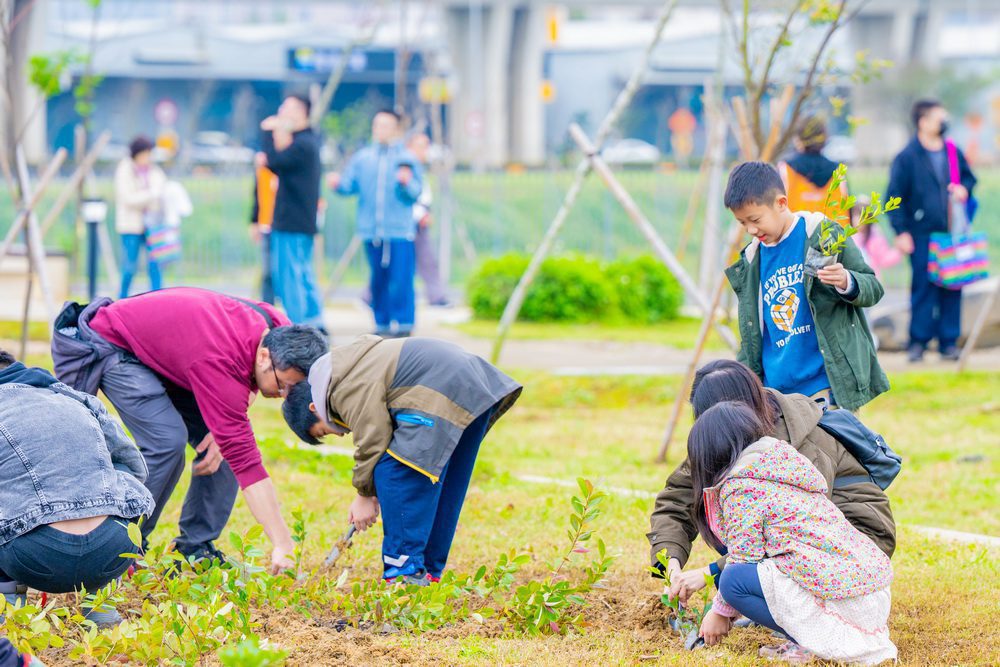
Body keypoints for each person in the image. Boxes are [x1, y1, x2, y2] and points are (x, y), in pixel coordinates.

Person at [50, 287, 327, 573]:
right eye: (283, 386)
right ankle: (119, 547)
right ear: (265, 357)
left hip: (171, 353)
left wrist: (227, 430)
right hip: (113, 344)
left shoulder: (281, 330)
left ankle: (194, 549)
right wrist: (283, 543)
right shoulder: (219, 360)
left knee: (226, 447)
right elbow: (250, 468)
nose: (284, 395)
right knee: (167, 443)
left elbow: (243, 407)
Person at [648, 359, 895, 605]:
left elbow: (792, 531)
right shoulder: (728, 435)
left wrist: (710, 572)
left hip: (857, 545)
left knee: (740, 562)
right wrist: (671, 561)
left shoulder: (797, 444)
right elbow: (676, 500)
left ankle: (802, 613)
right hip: (808, 540)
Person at [282, 335, 521, 584]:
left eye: (323, 431)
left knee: (393, 470)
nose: (339, 433)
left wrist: (364, 494)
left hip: (441, 390)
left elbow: (373, 437)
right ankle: (427, 571)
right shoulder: (353, 364)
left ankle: (403, 572)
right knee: (442, 479)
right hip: (474, 386)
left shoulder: (340, 387)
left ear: (314, 408)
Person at [687, 401, 896, 664]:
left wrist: (719, 612)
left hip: (844, 596)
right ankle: (809, 637)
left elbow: (743, 558)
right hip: (869, 589)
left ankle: (810, 643)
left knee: (733, 581)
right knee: (759, 570)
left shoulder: (740, 486)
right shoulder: (782, 461)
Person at [0, 349, 154, 627]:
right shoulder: (74, 398)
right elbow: (135, 467)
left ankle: (8, 611)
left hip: (35, 558)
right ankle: (100, 608)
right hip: (114, 549)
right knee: (111, 486)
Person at [723, 161, 888, 411]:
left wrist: (847, 281)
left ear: (781, 203)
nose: (751, 229)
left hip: (825, 389)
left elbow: (872, 286)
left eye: (755, 219)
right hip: (776, 395)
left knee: (829, 451)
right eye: (743, 223)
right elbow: (751, 336)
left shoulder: (820, 235)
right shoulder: (750, 262)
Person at [886, 99, 978, 362]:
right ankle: (919, 342)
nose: (944, 122)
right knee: (923, 287)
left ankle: (949, 342)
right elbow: (894, 197)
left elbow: (969, 178)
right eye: (940, 118)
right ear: (923, 122)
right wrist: (901, 232)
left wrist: (964, 189)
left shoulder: (952, 151)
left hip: (952, 234)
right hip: (921, 234)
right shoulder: (907, 157)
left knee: (953, 286)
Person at [329, 110, 423, 337]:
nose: (381, 130)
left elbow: (416, 192)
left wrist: (405, 183)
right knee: (377, 279)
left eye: (386, 125)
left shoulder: (406, 159)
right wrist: (337, 184)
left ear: (396, 129)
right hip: (371, 231)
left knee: (401, 279)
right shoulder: (363, 158)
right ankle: (381, 323)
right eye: (377, 125)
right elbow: (349, 185)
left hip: (399, 232)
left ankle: (403, 324)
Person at [260, 94, 325, 330]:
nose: (281, 112)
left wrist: (268, 132)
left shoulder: (302, 144)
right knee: (303, 274)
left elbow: (275, 161)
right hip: (299, 221)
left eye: (286, 108)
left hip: (292, 222)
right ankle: (314, 323)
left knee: (290, 277)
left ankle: (299, 328)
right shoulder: (308, 141)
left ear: (300, 111)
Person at [115, 136, 166, 298]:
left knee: (156, 265)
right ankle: (121, 300)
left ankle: (158, 300)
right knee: (129, 267)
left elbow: (162, 192)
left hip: (152, 225)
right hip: (131, 226)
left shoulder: (155, 171)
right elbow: (128, 198)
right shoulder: (125, 170)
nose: (147, 158)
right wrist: (150, 195)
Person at [406, 132, 449, 306]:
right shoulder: (406, 167)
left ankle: (436, 296)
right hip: (409, 223)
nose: (425, 151)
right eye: (421, 146)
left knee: (427, 261)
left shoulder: (418, 168)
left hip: (418, 222)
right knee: (405, 264)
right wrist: (420, 214)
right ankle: (369, 296)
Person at [777, 115, 847, 218]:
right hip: (832, 233)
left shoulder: (786, 169)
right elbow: (847, 213)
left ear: (798, 139)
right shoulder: (839, 172)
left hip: (796, 233)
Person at [250, 153, 279, 304]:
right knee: (267, 272)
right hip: (266, 225)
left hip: (284, 225)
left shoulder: (284, 165)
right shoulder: (263, 169)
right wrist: (254, 221)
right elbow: (257, 196)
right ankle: (269, 307)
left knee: (282, 272)